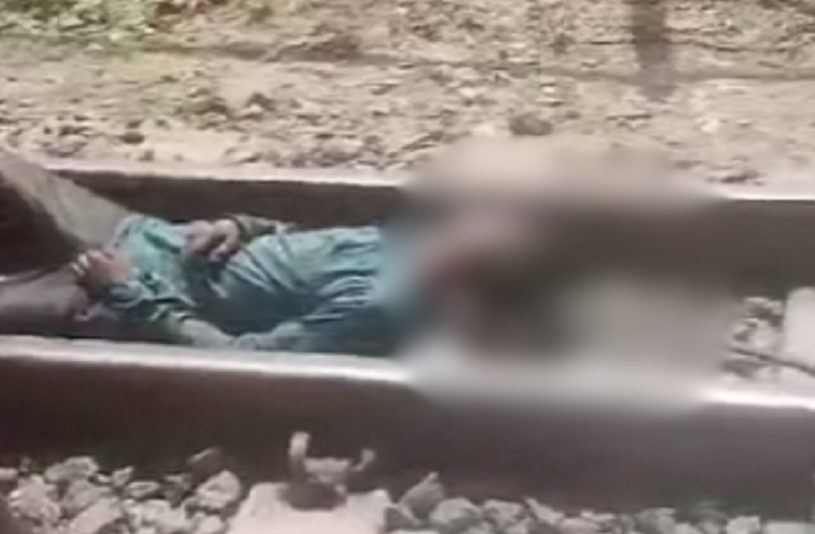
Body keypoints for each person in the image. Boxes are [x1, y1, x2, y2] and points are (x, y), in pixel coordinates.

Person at [0, 150, 549, 355]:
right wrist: (242, 226)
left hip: (100, 297)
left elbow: (241, 354)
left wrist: (125, 292)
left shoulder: (379, 308)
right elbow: (304, 242)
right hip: (138, 233)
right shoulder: (411, 242)